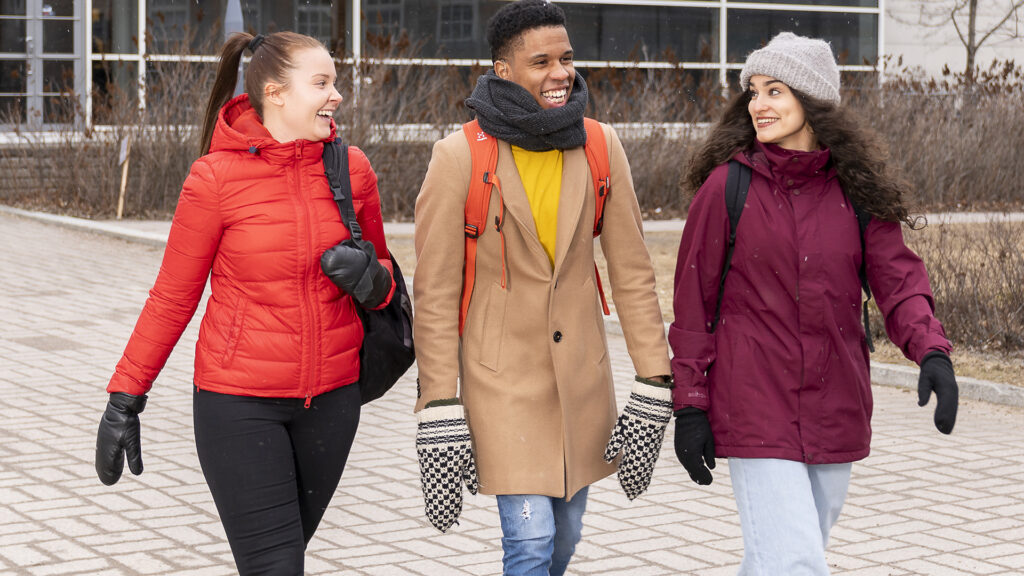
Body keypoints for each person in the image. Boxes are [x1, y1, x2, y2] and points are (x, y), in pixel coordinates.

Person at [93, 31, 395, 575]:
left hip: (333, 401)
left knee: (282, 560)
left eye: (335, 82)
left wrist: (373, 282)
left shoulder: (352, 171)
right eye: (322, 83)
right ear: (276, 93)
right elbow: (171, 297)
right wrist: (126, 396)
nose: (337, 96)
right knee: (276, 566)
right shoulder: (214, 178)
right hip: (239, 403)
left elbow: (388, 274)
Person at [669, 32, 959, 575]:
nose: (759, 104)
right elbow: (692, 306)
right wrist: (690, 403)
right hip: (753, 401)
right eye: (753, 91)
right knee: (795, 562)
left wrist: (932, 353)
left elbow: (898, 280)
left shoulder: (855, 192)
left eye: (775, 90)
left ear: (812, 100)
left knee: (780, 559)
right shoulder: (726, 188)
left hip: (835, 403)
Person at [412, 1, 674, 574]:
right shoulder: (458, 157)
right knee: (528, 543)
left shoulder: (600, 145)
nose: (562, 73)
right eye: (542, 61)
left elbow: (631, 272)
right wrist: (438, 403)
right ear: (503, 70)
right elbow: (433, 293)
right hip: (500, 382)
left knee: (566, 535)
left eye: (567, 58)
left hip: (582, 378)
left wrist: (655, 379)